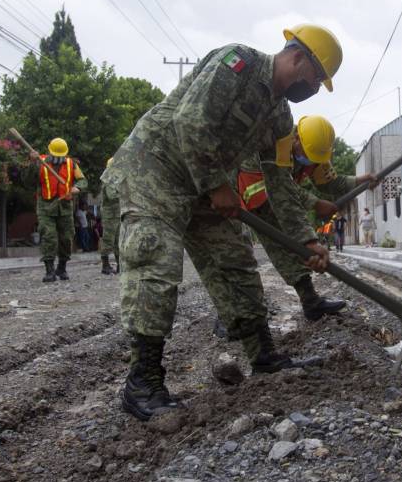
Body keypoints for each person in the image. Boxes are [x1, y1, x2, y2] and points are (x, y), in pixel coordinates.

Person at [101, 23, 343, 421]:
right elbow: (190, 122)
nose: (315, 87)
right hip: (156, 168)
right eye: (317, 77)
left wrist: (307, 242)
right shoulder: (239, 63)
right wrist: (217, 184)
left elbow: (280, 184)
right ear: (298, 57)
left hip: (202, 185)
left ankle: (263, 355)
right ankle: (142, 383)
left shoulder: (280, 117)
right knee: (155, 263)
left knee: (235, 261)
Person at [234, 116, 373, 322]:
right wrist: (316, 204)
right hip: (248, 196)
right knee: (239, 255)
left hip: (277, 197)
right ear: (296, 138)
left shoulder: (314, 149)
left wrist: (360, 181)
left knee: (293, 247)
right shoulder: (270, 144)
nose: (311, 161)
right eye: (307, 155)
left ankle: (310, 302)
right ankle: (231, 315)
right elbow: (279, 188)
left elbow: (329, 181)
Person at [29, 137, 87, 282]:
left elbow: (83, 180)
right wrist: (32, 163)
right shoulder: (40, 162)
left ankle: (62, 268)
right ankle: (49, 270)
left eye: (60, 156)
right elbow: (28, 181)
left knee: (66, 238)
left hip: (65, 206)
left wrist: (77, 187)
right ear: (50, 152)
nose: (58, 158)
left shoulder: (71, 164)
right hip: (46, 206)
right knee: (48, 236)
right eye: (55, 155)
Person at [99, 157, 121, 275]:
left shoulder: (116, 179)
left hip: (118, 213)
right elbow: (112, 196)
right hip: (110, 215)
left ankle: (120, 265)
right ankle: (105, 265)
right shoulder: (108, 179)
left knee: (119, 241)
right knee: (108, 240)